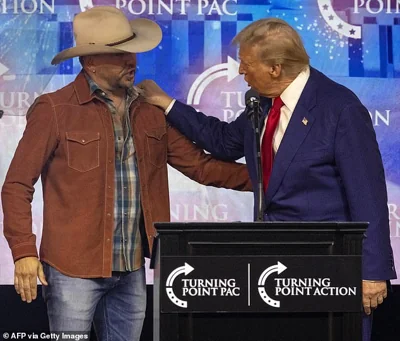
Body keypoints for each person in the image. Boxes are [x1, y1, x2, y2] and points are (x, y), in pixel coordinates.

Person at [1, 6, 251, 341]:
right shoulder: (55, 110)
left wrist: (272, 179)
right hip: (72, 269)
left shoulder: (150, 112)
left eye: (131, 52)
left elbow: (201, 166)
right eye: (120, 55)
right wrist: (24, 252)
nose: (131, 61)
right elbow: (17, 184)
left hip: (132, 269)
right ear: (90, 61)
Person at [138, 17, 396, 340]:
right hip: (274, 272)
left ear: (275, 68)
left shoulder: (339, 109)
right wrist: (167, 103)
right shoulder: (261, 105)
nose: (240, 71)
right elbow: (221, 141)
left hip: (329, 271)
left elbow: (368, 195)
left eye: (246, 64)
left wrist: (372, 273)